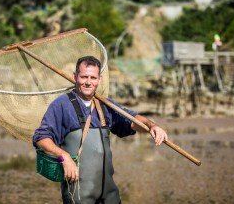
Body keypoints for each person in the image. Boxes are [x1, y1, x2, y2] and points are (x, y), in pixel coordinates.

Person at [33, 56, 168, 204]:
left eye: (93, 77)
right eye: (84, 77)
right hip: (79, 194)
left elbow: (133, 120)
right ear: (75, 76)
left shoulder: (104, 105)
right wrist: (63, 156)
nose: (88, 82)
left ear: (99, 79)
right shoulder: (61, 105)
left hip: (109, 194)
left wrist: (152, 126)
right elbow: (41, 138)